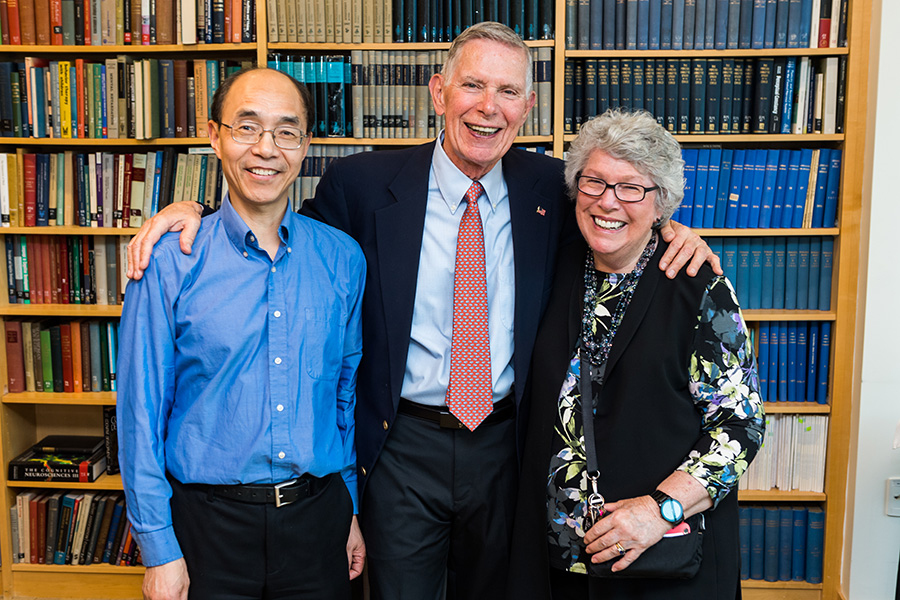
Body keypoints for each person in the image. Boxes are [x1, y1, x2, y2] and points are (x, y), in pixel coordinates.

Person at [125, 23, 717, 600]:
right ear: (438, 91)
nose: (489, 107)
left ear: (528, 106)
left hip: (507, 447)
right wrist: (197, 212)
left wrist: (670, 229)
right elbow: (275, 226)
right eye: (472, 86)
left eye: (508, 92)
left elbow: (613, 215)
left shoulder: (551, 188)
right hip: (400, 447)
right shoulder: (361, 183)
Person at [117, 68, 367, 600]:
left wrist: (348, 508)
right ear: (215, 136)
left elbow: (342, 397)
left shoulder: (343, 259)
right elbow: (140, 413)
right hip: (206, 529)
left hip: (318, 519)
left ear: (305, 145)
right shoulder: (169, 260)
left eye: (286, 131)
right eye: (247, 127)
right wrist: (159, 548)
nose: (266, 149)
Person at [507, 109, 765, 599]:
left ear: (661, 203)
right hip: (557, 560)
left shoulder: (698, 288)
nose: (608, 201)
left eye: (631, 188)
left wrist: (659, 511)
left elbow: (741, 426)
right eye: (595, 182)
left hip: (660, 559)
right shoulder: (551, 267)